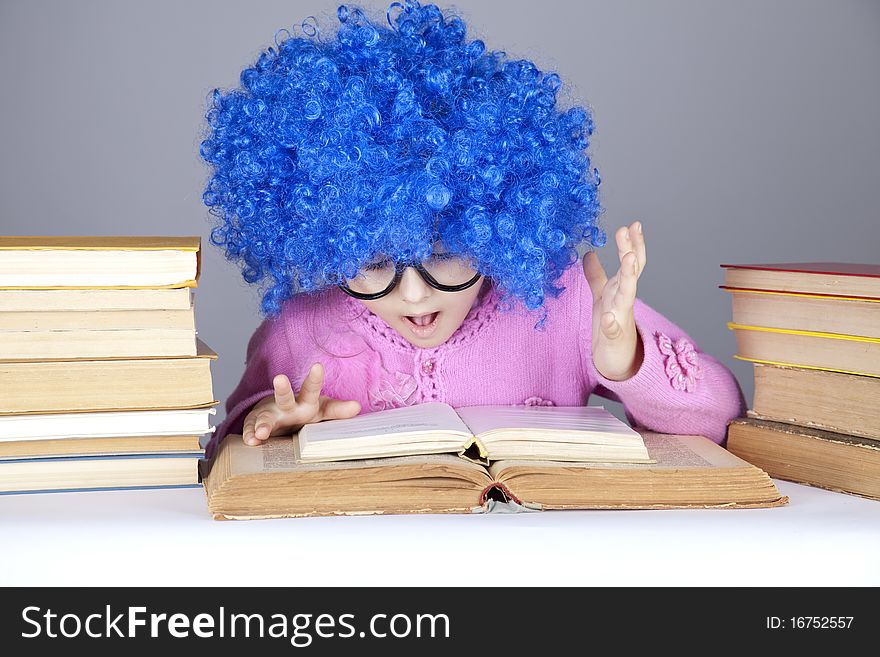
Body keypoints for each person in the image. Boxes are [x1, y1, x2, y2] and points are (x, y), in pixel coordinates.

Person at [199, 1, 746, 460]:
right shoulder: (300, 333)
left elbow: (721, 413)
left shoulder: (567, 305)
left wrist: (625, 358)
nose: (413, 294)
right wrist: (274, 424)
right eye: (371, 262)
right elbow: (225, 455)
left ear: (495, 222)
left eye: (441, 253)